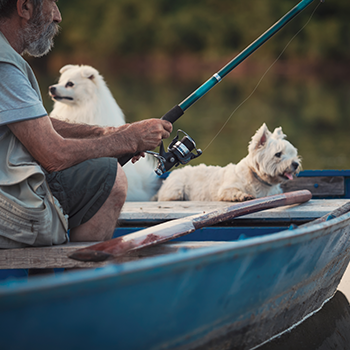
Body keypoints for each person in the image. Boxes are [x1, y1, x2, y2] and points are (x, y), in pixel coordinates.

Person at [0, 0, 172, 248]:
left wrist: (106, 132)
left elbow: (30, 123)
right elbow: (53, 154)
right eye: (52, 3)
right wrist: (127, 140)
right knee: (111, 176)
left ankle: (49, 278)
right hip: (9, 209)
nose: (57, 17)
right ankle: (76, 280)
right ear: (24, 7)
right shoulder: (5, 66)